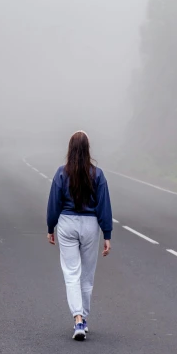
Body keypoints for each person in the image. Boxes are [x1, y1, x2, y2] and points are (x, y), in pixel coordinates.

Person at [46, 130, 113, 341]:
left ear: (70, 149)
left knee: (71, 273)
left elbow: (53, 204)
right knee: (87, 275)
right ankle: (83, 317)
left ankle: (77, 319)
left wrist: (51, 227)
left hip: (66, 224)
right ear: (87, 149)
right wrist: (107, 234)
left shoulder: (61, 173)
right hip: (90, 225)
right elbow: (104, 206)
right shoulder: (98, 174)